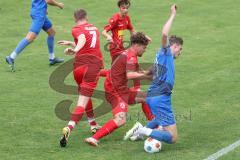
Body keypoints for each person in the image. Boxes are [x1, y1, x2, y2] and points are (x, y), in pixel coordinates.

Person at [124, 4, 183, 145]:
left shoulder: (160, 55)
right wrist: (173, 14)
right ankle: (142, 130)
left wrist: (146, 73)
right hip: (161, 98)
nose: (180, 52)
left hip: (153, 96)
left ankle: (138, 134)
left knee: (159, 119)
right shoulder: (166, 51)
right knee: (172, 137)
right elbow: (164, 34)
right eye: (180, 49)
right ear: (173, 46)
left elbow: (153, 69)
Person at [85, 32, 153, 146]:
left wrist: (143, 79)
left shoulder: (130, 54)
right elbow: (130, 75)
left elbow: (123, 71)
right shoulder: (130, 56)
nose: (145, 50)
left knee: (145, 98)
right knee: (121, 119)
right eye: (144, 47)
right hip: (115, 91)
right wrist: (147, 75)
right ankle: (94, 138)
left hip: (118, 88)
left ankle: (154, 126)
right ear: (137, 45)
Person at [57, 9, 103, 147]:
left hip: (78, 68)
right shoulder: (94, 28)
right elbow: (85, 40)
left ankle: (93, 124)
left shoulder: (76, 28)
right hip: (92, 68)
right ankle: (69, 128)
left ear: (75, 18)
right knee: (82, 102)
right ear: (86, 17)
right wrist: (75, 47)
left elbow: (82, 40)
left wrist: (74, 47)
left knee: (84, 95)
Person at [5, 0, 64, 71]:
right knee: (30, 37)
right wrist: (58, 4)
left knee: (51, 32)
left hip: (37, 11)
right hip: (39, 14)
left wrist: (44, 8)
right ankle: (11, 57)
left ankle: (52, 58)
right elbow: (48, 0)